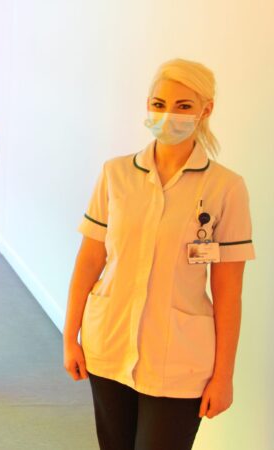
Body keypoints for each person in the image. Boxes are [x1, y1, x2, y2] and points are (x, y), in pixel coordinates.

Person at [63, 58, 254, 450]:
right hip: (109, 344)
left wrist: (223, 376)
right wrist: (70, 337)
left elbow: (228, 292)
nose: (169, 115)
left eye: (184, 106)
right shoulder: (115, 174)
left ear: (206, 110)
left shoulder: (226, 188)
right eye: (159, 103)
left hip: (179, 359)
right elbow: (89, 262)